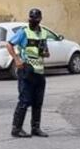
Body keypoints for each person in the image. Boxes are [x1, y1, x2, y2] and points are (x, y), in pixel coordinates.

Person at [6, 8, 50, 138]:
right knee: (24, 100)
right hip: (26, 70)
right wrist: (17, 59)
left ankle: (35, 128)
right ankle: (16, 129)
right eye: (31, 19)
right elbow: (9, 45)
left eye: (35, 19)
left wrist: (46, 53)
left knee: (38, 101)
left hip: (39, 71)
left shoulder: (44, 33)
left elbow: (45, 50)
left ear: (40, 19)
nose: (33, 21)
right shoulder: (23, 32)